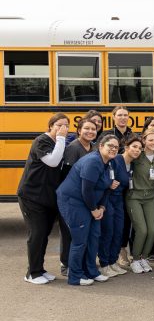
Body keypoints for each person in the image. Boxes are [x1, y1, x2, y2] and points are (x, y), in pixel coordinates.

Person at [56, 135, 118, 286]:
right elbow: (87, 190)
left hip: (92, 204)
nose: (113, 149)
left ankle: (91, 271)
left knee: (94, 237)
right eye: (110, 145)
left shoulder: (109, 163)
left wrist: (102, 207)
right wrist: (94, 210)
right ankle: (75, 276)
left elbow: (108, 187)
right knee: (80, 240)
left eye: (116, 147)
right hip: (74, 202)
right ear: (101, 145)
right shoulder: (92, 161)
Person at [18, 113, 69, 285]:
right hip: (31, 196)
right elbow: (53, 161)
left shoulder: (57, 143)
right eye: (59, 125)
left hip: (46, 197)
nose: (63, 129)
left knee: (44, 234)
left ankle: (39, 269)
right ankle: (31, 273)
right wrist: (62, 138)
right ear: (50, 126)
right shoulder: (42, 141)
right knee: (37, 233)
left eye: (66, 126)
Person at [59, 116, 98, 273]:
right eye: (86, 128)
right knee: (70, 232)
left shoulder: (94, 148)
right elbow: (66, 176)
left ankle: (81, 263)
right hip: (72, 197)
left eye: (93, 129)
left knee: (84, 232)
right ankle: (66, 264)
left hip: (87, 196)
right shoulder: (73, 148)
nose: (90, 131)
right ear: (79, 131)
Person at [98, 135, 140, 277]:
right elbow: (101, 173)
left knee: (118, 231)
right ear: (126, 147)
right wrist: (108, 183)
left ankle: (113, 261)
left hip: (120, 201)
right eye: (134, 146)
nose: (137, 150)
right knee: (108, 231)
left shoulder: (133, 164)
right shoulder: (116, 160)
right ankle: (104, 264)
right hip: (108, 199)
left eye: (140, 148)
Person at [126, 129, 154, 274]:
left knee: (152, 230)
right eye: (150, 140)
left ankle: (144, 258)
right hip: (135, 196)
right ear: (144, 140)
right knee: (142, 230)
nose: (153, 143)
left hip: (151, 196)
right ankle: (135, 259)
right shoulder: (137, 155)